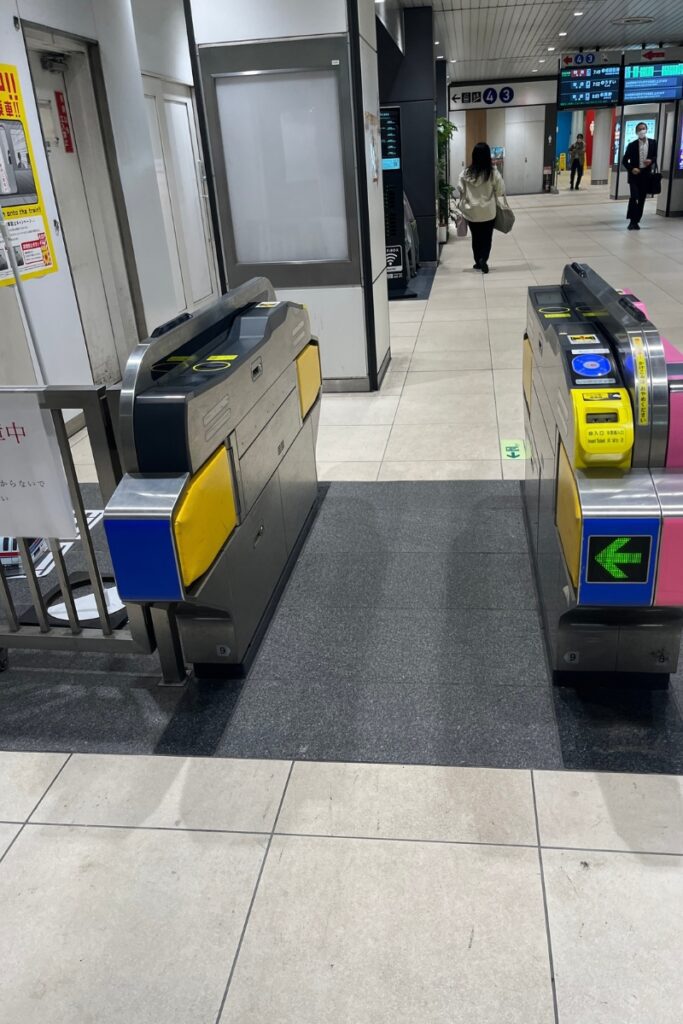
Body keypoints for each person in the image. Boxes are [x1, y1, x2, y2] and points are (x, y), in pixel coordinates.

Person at [457, 142, 505, 274]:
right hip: (489, 212)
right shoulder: (493, 172)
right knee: (487, 237)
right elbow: (500, 190)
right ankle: (484, 258)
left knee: (476, 237)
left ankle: (478, 261)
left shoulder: (466, 173)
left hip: (472, 212)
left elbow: (459, 188)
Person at [622, 122, 658, 230]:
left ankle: (636, 220)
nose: (642, 130)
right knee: (634, 197)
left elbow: (655, 156)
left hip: (646, 175)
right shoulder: (632, 145)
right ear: (637, 132)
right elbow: (625, 160)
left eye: (643, 128)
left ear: (646, 130)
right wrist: (632, 169)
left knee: (642, 198)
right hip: (634, 175)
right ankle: (632, 220)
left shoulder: (653, 143)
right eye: (639, 129)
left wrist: (650, 160)